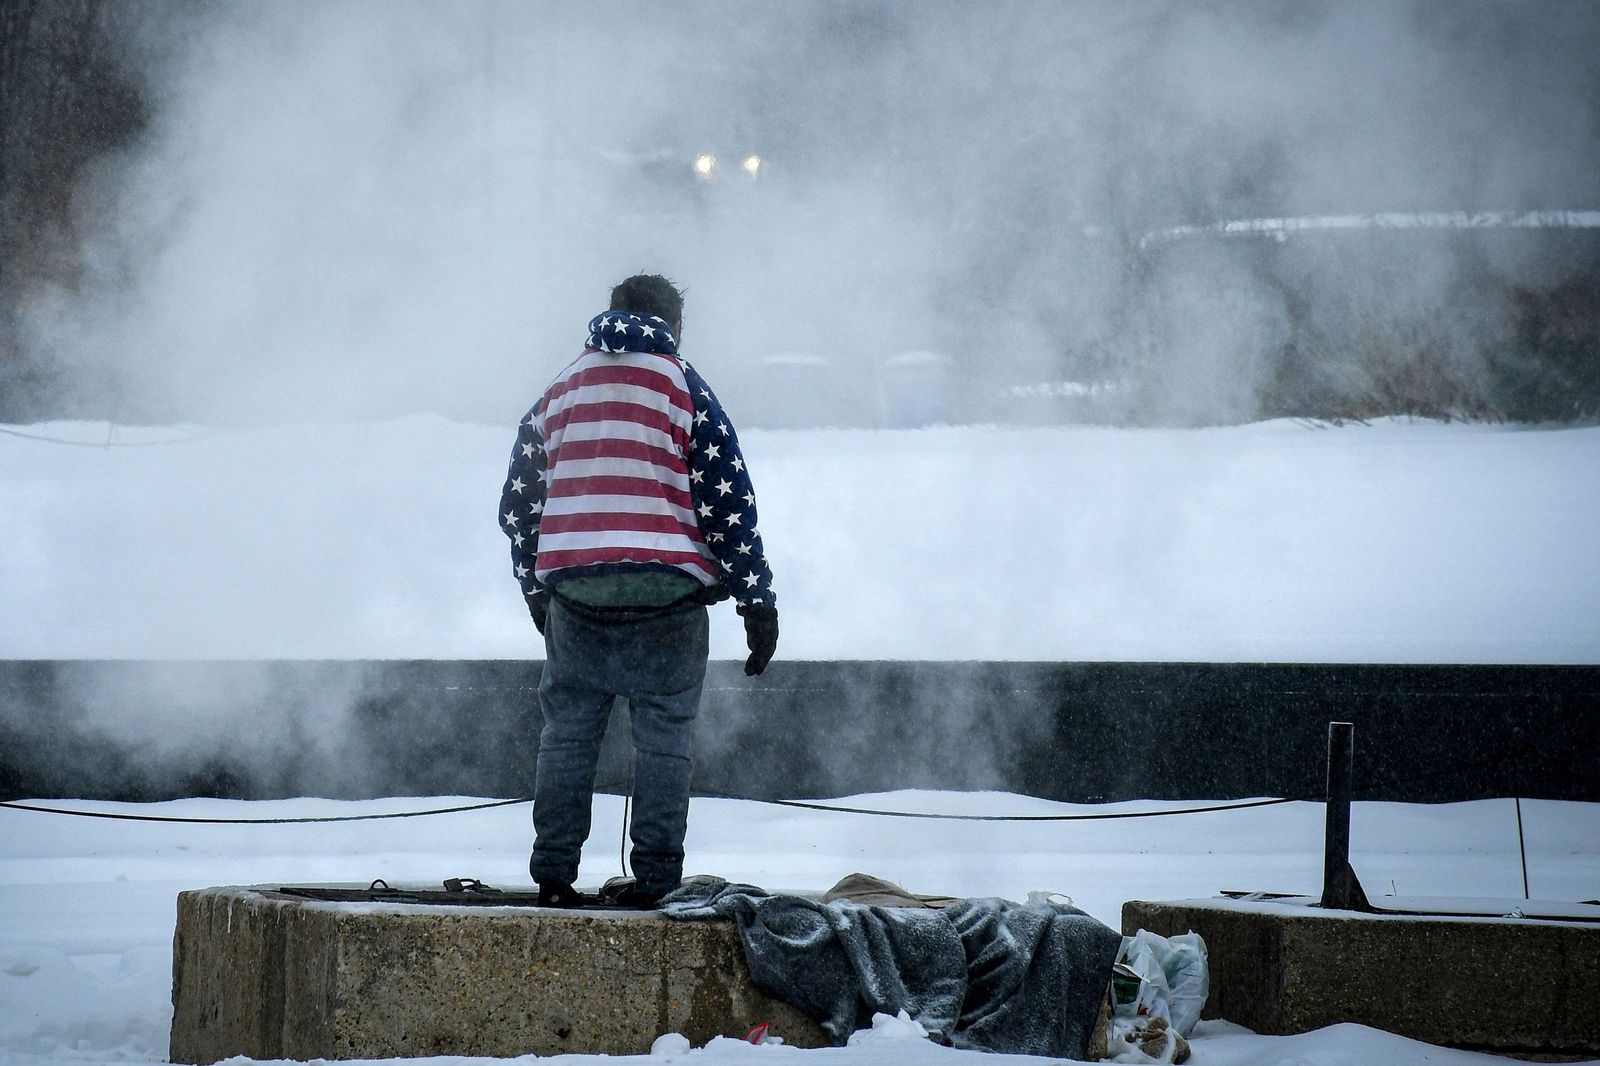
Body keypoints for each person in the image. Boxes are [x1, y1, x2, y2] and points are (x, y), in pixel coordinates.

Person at [499, 273, 779, 909]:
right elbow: (727, 500)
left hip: (575, 595)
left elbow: (519, 505)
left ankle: (553, 874)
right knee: (665, 739)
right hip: (669, 598)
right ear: (673, 325)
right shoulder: (684, 386)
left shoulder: (560, 390)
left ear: (611, 314)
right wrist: (756, 601)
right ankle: (655, 878)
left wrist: (536, 590)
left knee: (568, 734)